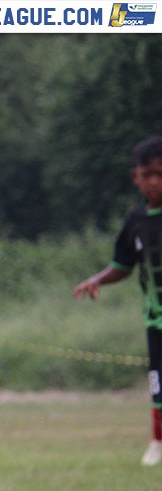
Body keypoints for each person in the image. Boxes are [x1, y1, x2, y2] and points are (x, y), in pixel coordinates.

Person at [74, 136, 162, 470]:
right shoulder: (136, 221)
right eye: (147, 174)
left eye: (161, 173)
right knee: (158, 390)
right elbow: (123, 265)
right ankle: (157, 442)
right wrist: (98, 279)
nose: (154, 181)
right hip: (156, 321)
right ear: (135, 177)